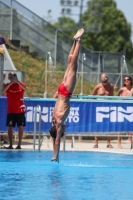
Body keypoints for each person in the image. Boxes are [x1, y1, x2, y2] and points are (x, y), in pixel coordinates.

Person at [50, 28, 84, 162]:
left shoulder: (58, 122)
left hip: (66, 92)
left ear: (58, 129)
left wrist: (56, 155)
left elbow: (57, 140)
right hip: (60, 91)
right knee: (69, 63)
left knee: (73, 64)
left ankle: (79, 41)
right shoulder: (53, 117)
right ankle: (74, 42)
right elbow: (53, 138)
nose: (64, 128)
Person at [2, 72, 26, 149]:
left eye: (14, 76)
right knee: (10, 127)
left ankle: (19, 145)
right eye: (11, 77)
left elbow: (25, 89)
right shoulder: (7, 85)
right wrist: (11, 83)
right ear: (9, 78)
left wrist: (17, 82)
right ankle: (11, 144)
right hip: (11, 110)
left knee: (20, 127)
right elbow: (3, 91)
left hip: (20, 110)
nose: (13, 78)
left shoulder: (20, 84)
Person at [92, 73, 114, 148]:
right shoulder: (98, 86)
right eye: (102, 78)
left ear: (107, 79)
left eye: (105, 78)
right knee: (96, 125)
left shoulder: (111, 86)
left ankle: (108, 143)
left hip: (108, 107)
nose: (104, 80)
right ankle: (96, 143)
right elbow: (92, 96)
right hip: (99, 107)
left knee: (109, 125)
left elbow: (112, 96)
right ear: (100, 79)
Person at [117, 76, 133, 148]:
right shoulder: (122, 89)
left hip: (130, 109)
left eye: (128, 79)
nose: (126, 81)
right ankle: (119, 143)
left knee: (131, 125)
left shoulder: (132, 89)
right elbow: (117, 96)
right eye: (125, 80)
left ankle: (130, 139)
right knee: (120, 126)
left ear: (130, 81)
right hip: (122, 108)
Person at [0, 71, 8, 144]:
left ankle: (2, 138)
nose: (3, 77)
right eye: (2, 75)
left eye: (4, 76)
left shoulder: (5, 85)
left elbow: (5, 94)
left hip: (2, 106)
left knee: (2, 122)